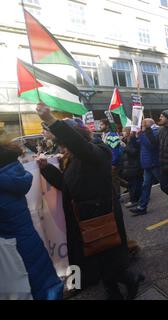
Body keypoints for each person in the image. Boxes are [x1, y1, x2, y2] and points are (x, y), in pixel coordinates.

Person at [35, 104, 144, 300]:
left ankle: (129, 280)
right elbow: (66, 185)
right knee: (99, 260)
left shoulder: (98, 152)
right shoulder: (74, 159)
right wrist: (46, 169)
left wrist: (52, 120)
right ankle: (114, 290)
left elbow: (80, 146)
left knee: (108, 259)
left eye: (65, 143)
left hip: (101, 218)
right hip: (84, 219)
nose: (63, 148)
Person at [0, 141, 63, 300]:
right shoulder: (15, 173)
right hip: (28, 239)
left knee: (29, 284)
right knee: (44, 280)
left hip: (12, 250)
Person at [130, 118, 161, 216]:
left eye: (143, 125)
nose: (141, 127)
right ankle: (142, 207)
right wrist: (133, 137)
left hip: (154, 163)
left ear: (147, 125)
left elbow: (150, 146)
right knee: (146, 186)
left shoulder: (155, 131)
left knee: (165, 185)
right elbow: (137, 145)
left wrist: (140, 135)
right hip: (147, 163)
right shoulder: (143, 133)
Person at [119, 127, 143, 209]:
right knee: (133, 184)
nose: (122, 133)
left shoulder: (133, 140)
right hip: (130, 166)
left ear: (129, 132)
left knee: (134, 184)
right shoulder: (127, 140)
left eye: (124, 131)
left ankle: (134, 200)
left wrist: (124, 147)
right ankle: (137, 198)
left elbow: (134, 152)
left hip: (134, 166)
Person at [99, 119, 122, 197]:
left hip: (112, 162)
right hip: (107, 162)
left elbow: (114, 150)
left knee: (114, 180)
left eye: (102, 124)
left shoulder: (112, 135)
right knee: (114, 178)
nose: (100, 126)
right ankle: (130, 186)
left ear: (107, 126)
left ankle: (118, 196)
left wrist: (113, 163)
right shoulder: (103, 135)